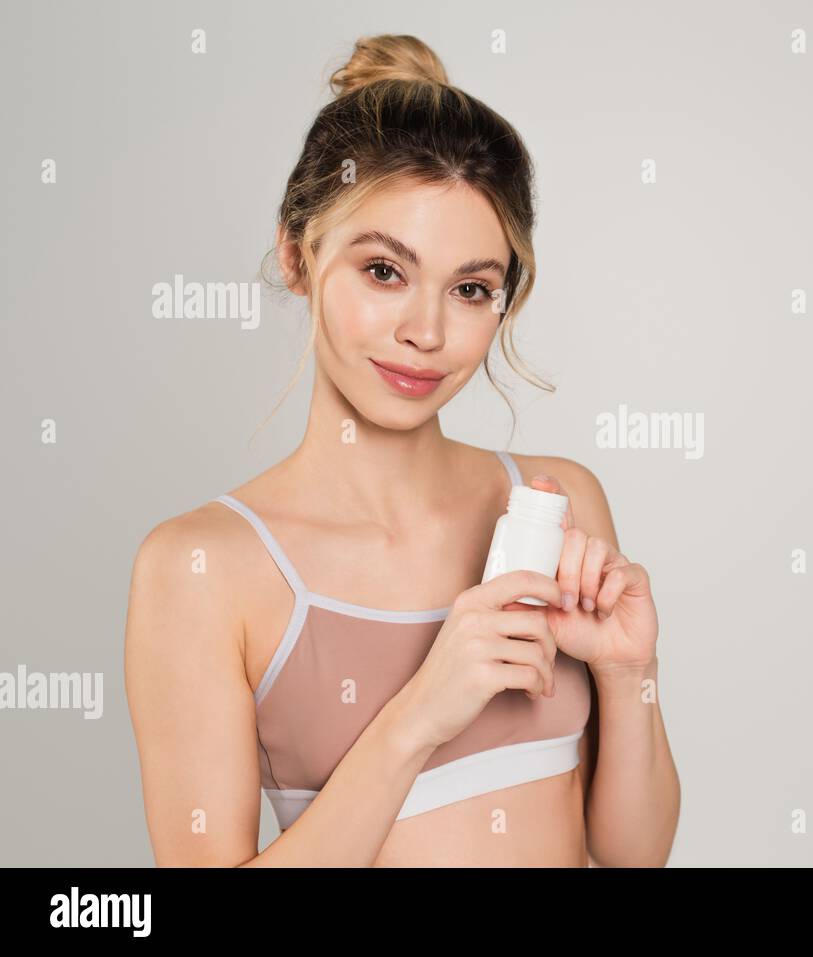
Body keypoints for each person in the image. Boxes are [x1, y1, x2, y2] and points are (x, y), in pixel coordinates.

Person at [124, 34, 679, 867]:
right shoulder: (203, 568)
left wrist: (631, 673)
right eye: (384, 270)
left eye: (469, 289)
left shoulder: (558, 501)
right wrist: (422, 711)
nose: (425, 332)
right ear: (298, 254)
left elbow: (635, 852)